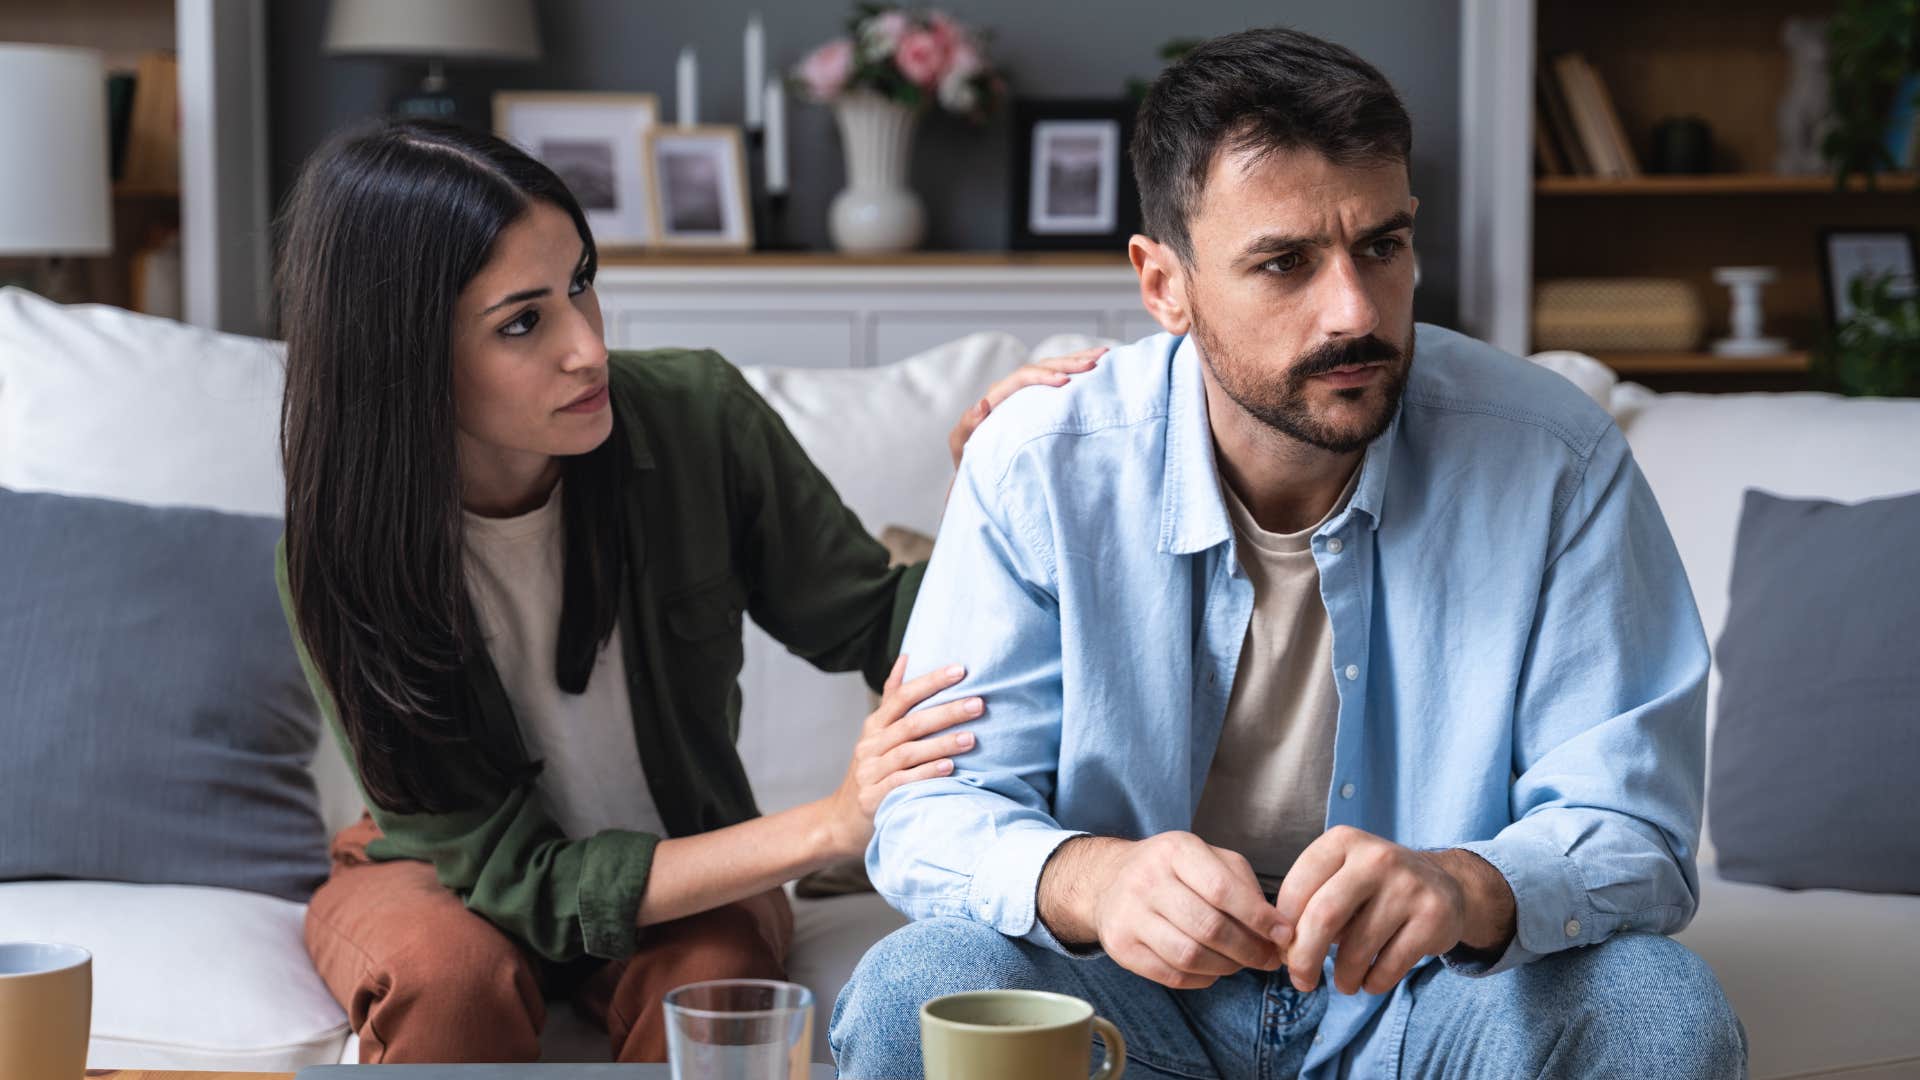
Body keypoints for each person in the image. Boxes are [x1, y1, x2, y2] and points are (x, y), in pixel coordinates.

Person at [833, 27, 1746, 1080]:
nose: (1355, 311)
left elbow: (1634, 829)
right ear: (1163, 283)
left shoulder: (1557, 460)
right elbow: (931, 813)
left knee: (1653, 1008)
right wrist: (1095, 881)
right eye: (1285, 262)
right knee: (917, 986)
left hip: (1432, 995)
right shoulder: (1041, 466)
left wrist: (1464, 887)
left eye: (1383, 247)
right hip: (1127, 1004)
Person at [273, 118, 1093, 1063]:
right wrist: (831, 823)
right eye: (523, 322)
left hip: (688, 858)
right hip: (446, 875)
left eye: (581, 283)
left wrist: (989, 490)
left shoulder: (697, 419)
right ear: (404, 357)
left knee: (711, 987)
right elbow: (523, 883)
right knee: (448, 982)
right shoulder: (340, 560)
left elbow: (876, 624)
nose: (587, 348)